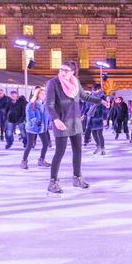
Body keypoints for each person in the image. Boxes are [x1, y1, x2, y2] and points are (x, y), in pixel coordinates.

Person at [45, 60, 109, 195]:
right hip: (61, 122)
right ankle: (53, 182)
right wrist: (55, 119)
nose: (62, 72)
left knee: (78, 151)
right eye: (61, 69)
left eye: (66, 70)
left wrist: (100, 101)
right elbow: (49, 104)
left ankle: (77, 178)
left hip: (75, 122)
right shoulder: (53, 83)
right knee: (60, 152)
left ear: (72, 72)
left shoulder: (75, 82)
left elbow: (85, 96)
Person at [21, 87, 52, 169]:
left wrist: (49, 123)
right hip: (32, 127)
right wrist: (37, 122)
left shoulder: (45, 105)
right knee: (30, 145)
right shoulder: (31, 104)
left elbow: (48, 116)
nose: (44, 95)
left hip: (42, 128)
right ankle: (24, 161)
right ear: (37, 94)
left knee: (46, 144)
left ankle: (41, 160)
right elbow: (29, 116)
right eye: (42, 93)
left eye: (45, 94)